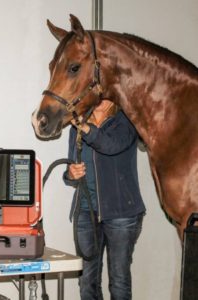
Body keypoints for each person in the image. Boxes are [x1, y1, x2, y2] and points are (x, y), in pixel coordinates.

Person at [63, 99, 146, 300]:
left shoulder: (125, 121)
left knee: (119, 282)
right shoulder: (77, 129)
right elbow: (70, 167)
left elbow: (109, 145)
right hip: (85, 212)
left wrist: (85, 127)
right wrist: (70, 174)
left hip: (121, 214)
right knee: (86, 282)